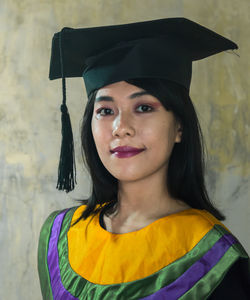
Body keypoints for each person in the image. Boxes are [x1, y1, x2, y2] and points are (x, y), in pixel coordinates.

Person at [38, 18, 250, 299]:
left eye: (144, 106)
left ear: (179, 127)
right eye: (105, 110)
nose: (120, 127)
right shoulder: (60, 237)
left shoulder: (212, 255)